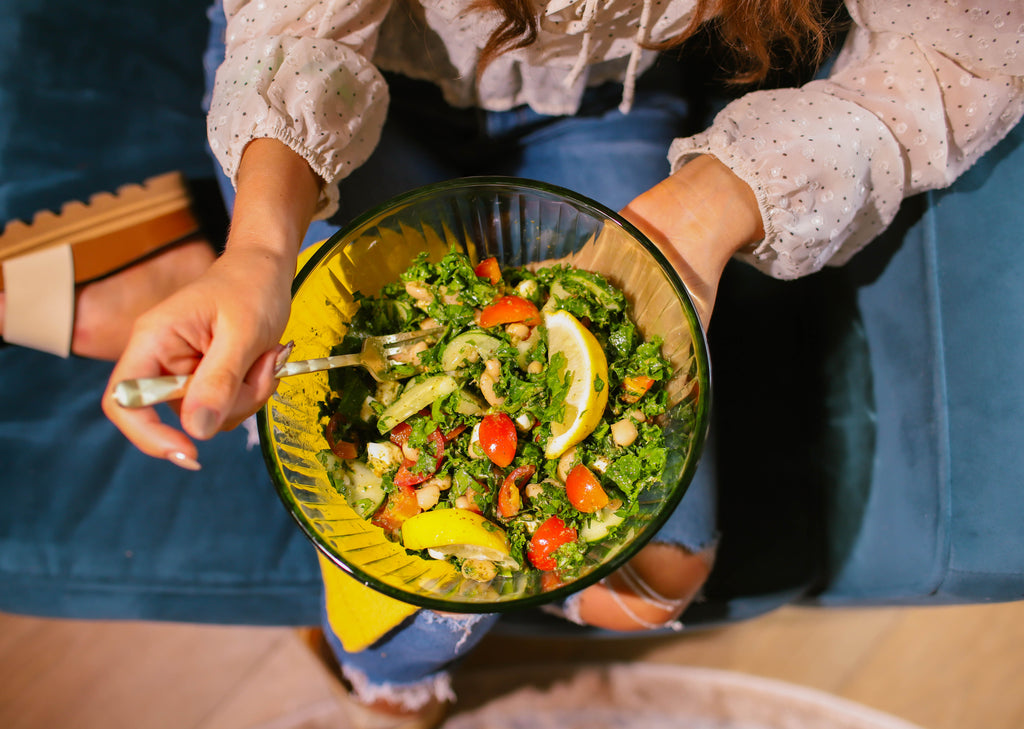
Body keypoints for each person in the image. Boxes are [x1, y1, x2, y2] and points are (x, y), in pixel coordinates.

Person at [74, 0, 1019, 727]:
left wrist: (698, 213)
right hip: (344, 77)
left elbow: (967, 48)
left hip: (605, 102)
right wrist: (259, 249)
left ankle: (162, 262)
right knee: (416, 619)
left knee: (647, 589)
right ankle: (203, 253)